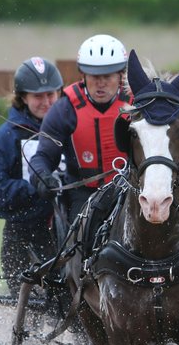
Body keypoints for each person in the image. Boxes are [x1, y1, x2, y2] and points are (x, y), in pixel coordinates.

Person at [0, 56, 64, 289]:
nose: (46, 102)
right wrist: (35, 188)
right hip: (23, 231)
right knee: (30, 300)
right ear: (23, 97)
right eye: (38, 96)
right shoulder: (3, 139)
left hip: (69, 230)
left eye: (51, 94)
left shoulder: (72, 130)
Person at [28, 33, 131, 227]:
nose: (101, 83)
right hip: (85, 194)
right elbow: (43, 157)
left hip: (133, 191)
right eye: (94, 76)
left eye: (107, 76)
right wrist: (42, 178)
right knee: (80, 237)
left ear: (121, 75)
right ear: (83, 75)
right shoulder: (64, 110)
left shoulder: (137, 104)